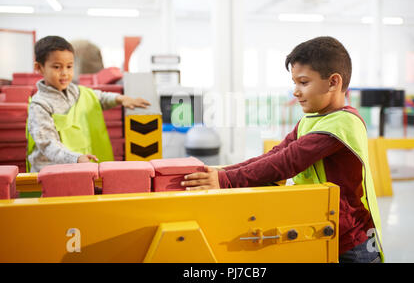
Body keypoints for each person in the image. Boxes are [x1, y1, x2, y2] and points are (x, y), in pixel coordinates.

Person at [182, 36, 384, 263]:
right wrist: (222, 173)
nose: (295, 91)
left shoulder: (343, 123)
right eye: (294, 83)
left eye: (303, 82)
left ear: (333, 82)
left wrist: (226, 179)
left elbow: (287, 162)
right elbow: (275, 154)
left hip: (353, 239)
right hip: (323, 227)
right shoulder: (312, 120)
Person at [27, 36, 150, 172]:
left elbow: (98, 97)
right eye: (57, 67)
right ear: (39, 67)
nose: (65, 73)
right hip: (50, 173)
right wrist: (75, 158)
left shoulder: (77, 92)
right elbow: (48, 144)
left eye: (69, 66)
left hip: (78, 168)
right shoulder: (40, 105)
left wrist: (121, 99)